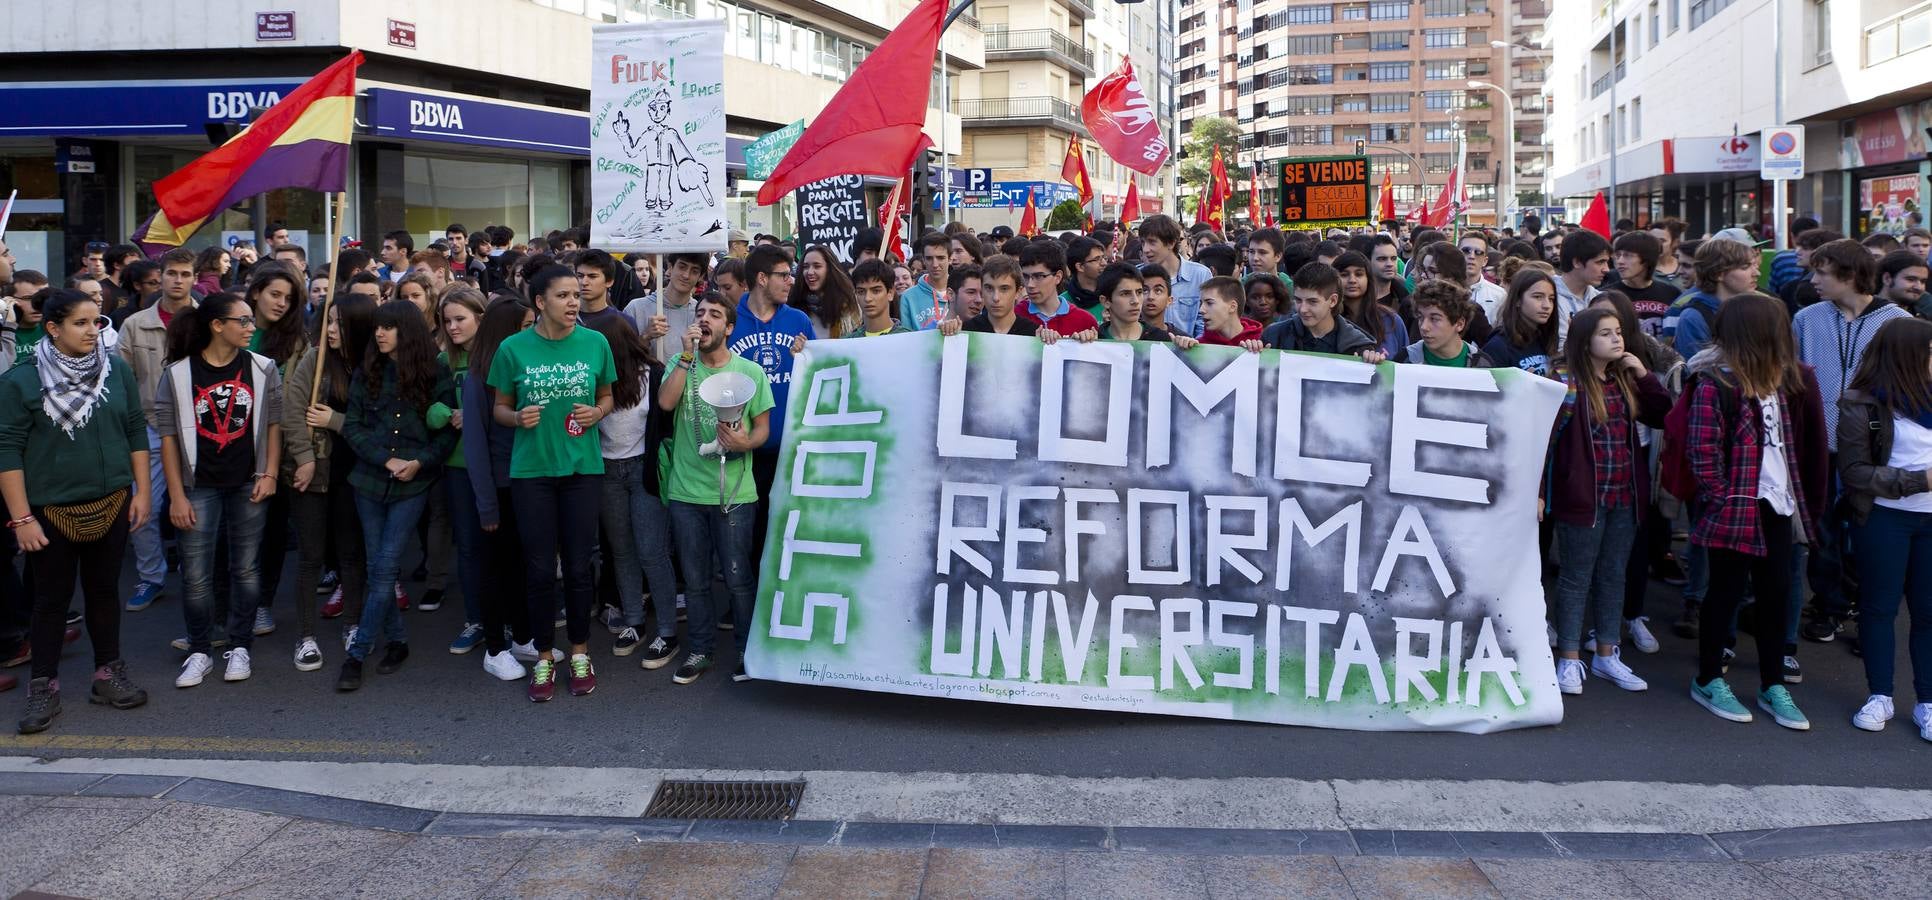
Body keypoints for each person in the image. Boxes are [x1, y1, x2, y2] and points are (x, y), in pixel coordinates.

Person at [0, 289, 152, 733]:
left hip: (112, 500)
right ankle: (42, 687)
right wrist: (22, 518)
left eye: (97, 322)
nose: (93, 331)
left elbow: (134, 429)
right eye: (81, 323)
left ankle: (108, 674)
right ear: (53, 328)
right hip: (48, 512)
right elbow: (7, 450)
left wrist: (141, 492)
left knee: (105, 591)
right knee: (50, 601)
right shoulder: (20, 381)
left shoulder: (116, 370)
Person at [1685, 293, 1827, 730]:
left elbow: (1809, 446)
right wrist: (1725, 495)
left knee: (1777, 593)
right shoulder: (1716, 383)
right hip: (1736, 503)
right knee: (1724, 591)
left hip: (1780, 504)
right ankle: (1708, 677)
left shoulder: (1791, 381)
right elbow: (1702, 452)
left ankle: (1772, 683)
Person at [487, 266, 617, 702]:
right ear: (540, 302)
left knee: (579, 568)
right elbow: (499, 408)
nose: (573, 302)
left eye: (576, 294)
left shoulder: (596, 342)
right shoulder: (512, 348)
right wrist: (516, 417)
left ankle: (580, 652)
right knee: (541, 570)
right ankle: (544, 656)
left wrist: (598, 414)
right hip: (532, 474)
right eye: (563, 295)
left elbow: (607, 395)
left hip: (583, 470)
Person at [154, 293, 284, 688]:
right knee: (195, 574)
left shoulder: (263, 368)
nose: (251, 327)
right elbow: (169, 438)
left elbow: (275, 425)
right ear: (217, 325)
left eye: (250, 321)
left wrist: (270, 473)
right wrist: (176, 495)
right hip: (198, 486)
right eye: (242, 321)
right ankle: (199, 649)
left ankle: (240, 645)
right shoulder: (177, 374)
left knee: (245, 568)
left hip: (249, 480)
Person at [1544, 308, 1672, 695]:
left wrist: (1645, 375)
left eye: (1619, 333)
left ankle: (1606, 653)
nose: (1617, 339)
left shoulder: (1624, 380)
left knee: (1614, 574)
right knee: (1575, 576)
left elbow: (1664, 414)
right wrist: (1540, 493)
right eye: (1606, 334)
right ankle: (1568, 658)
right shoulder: (1565, 383)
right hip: (1583, 497)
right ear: (1585, 341)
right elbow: (1544, 443)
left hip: (1625, 495)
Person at [1794, 239, 1913, 646]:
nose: (1813, 281)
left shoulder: (1896, 321)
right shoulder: (1807, 318)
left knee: (1870, 532)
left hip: (1874, 448)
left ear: (1848, 275)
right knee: (1822, 530)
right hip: (1820, 444)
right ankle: (1829, 606)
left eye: (1821, 273)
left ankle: (1869, 611)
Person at [334, 301, 457, 691]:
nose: (379, 334)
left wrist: (418, 463)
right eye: (377, 328)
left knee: (385, 566)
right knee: (379, 568)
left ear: (407, 330)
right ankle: (398, 641)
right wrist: (387, 460)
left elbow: (448, 430)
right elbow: (351, 426)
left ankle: (357, 655)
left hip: (413, 485)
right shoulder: (366, 369)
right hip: (368, 482)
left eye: (388, 327)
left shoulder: (436, 370)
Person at [658, 293, 774, 684]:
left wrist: (746, 444)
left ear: (729, 327)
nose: (705, 319)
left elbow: (762, 428)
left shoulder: (750, 372)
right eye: (700, 313)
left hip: (736, 495)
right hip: (687, 493)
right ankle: (701, 650)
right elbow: (666, 402)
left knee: (739, 578)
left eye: (715, 315)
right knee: (695, 580)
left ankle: (747, 650)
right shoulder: (680, 364)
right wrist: (685, 357)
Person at [1837, 318, 1932, 738]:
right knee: (1879, 607)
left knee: (1928, 613)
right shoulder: (1863, 403)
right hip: (1884, 519)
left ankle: (1927, 702)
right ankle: (1880, 696)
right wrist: (1920, 481)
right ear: (1910, 357)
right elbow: (1855, 472)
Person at [284, 292, 375, 670]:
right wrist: (303, 457)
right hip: (316, 471)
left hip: (358, 473)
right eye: (328, 321)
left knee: (353, 554)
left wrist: (334, 421)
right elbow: (292, 409)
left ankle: (353, 625)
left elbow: (376, 421)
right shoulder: (314, 359)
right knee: (311, 556)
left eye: (338, 322)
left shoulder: (374, 365)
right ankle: (305, 636)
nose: (330, 329)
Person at [584, 314, 679, 666]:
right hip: (606, 471)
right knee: (621, 551)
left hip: (644, 470)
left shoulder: (652, 374)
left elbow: (667, 421)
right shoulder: (592, 379)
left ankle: (667, 630)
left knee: (652, 551)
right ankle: (634, 621)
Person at [462, 299, 539, 679]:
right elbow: (475, 446)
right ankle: (495, 647)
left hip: (527, 483)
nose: (532, 330)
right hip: (497, 488)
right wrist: (487, 505)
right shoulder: (478, 377)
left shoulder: (526, 367)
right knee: (493, 569)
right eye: (525, 324)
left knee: (521, 568)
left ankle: (523, 638)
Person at [728, 245, 814, 568]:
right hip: (742, 449)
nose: (791, 280)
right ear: (762, 278)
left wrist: (806, 355)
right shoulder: (731, 319)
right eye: (783, 274)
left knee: (780, 530)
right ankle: (745, 603)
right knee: (743, 532)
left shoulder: (798, 321)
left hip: (787, 448)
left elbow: (818, 375)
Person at [242, 267, 308, 641]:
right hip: (231, 444)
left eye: (288, 298)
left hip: (277, 448)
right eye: (275, 295)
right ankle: (229, 605)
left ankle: (262, 602)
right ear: (255, 293)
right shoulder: (231, 328)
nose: (281, 303)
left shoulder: (297, 340)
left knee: (271, 531)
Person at [430, 288, 490, 654]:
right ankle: (475, 619)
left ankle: (509, 619)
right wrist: (442, 414)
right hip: (456, 465)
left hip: (495, 467)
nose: (452, 327)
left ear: (480, 319)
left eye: (460, 319)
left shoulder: (499, 357)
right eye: (447, 321)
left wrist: (475, 414)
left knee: (498, 547)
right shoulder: (442, 362)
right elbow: (427, 408)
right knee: (467, 548)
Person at [1261, 263, 1382, 360]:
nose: (1303, 309)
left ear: (1333, 301)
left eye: (1312, 301)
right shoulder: (1274, 336)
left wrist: (1372, 362)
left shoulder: (1358, 347)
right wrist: (1252, 350)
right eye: (1298, 300)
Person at [1667, 237, 1760, 359]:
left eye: (1755, 266)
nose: (1757, 273)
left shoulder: (1758, 307)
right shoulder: (1694, 317)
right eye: (1745, 267)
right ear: (1718, 274)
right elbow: (1698, 371)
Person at [626, 253, 708, 365]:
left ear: (701, 276)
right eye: (682, 267)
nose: (686, 275)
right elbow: (622, 359)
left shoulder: (702, 315)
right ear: (670, 267)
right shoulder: (635, 308)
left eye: (694, 271)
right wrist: (646, 336)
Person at [1482, 268, 1562, 378]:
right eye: (1538, 297)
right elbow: (1489, 392)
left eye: (1551, 299)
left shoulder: (1546, 340)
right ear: (1518, 300)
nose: (1547, 305)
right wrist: (1520, 386)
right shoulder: (1498, 346)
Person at [1139, 215, 1210, 337]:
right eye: (1143, 242)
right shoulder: (1136, 275)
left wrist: (1193, 346)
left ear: (1171, 243)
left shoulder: (1200, 275)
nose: (1145, 249)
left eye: (1152, 242)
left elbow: (1205, 324)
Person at [1333, 251, 1410, 359]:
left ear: (1368, 278)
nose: (1352, 280)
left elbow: (1405, 361)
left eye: (1359, 274)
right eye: (1344, 275)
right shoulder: (1327, 321)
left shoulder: (1391, 320)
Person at [1604, 232, 1681, 339]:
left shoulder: (1672, 293)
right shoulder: (1606, 296)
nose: (1620, 261)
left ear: (1646, 259)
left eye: (1628, 255)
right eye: (1618, 255)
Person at [1015, 242, 1099, 338]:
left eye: (1039, 276)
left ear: (1058, 277)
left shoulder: (1085, 321)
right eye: (1025, 276)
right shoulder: (1014, 316)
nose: (1030, 284)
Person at [1094, 263, 1190, 345]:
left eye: (1139, 292)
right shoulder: (1094, 340)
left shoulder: (1163, 341)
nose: (1135, 301)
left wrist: (1188, 350)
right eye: (1125, 294)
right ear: (1105, 301)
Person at [1401, 281, 1492, 367]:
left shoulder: (1482, 364)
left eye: (1434, 319)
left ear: (1459, 324)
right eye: (1420, 317)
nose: (1424, 327)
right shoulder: (1405, 360)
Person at [948, 256, 1037, 337]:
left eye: (1004, 289)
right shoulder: (966, 331)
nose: (996, 298)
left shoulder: (1033, 334)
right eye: (989, 288)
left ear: (1018, 292)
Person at [790, 245, 860, 339]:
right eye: (806, 267)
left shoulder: (848, 306)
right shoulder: (793, 306)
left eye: (817, 266)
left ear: (830, 269)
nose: (810, 272)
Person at [1554, 230, 1610, 345]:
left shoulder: (1600, 299)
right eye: (1600, 262)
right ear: (1577, 262)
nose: (1606, 269)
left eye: (1607, 262)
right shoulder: (1548, 298)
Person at [846, 260, 912, 337]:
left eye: (876, 291)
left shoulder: (908, 338)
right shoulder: (847, 342)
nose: (867, 298)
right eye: (861, 292)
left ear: (890, 293)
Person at [1193, 276, 1263, 347]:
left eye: (1209, 303)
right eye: (1201, 303)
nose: (1201, 310)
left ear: (1232, 307)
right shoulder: (1198, 346)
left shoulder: (1262, 341)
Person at [1458, 232, 1507, 322]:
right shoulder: (1444, 291)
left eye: (1478, 252)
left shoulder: (1499, 295)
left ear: (1485, 261)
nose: (1472, 256)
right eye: (1466, 251)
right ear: (1457, 254)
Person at [573, 249, 628, 328]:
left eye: (592, 276)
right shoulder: (562, 319)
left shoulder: (624, 322)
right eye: (580, 276)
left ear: (609, 281)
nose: (584, 282)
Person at [1879, 249, 1929, 319]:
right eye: (1911, 279)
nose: (1919, 287)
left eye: (1923, 281)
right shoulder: (1863, 312)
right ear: (1887, 279)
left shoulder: (1924, 320)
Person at [1064, 236, 1107, 317]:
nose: (1104, 263)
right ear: (1080, 267)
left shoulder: (1112, 296)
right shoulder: (1062, 303)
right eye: (1097, 259)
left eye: (1104, 258)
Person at [1649, 218, 1690, 288]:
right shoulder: (1644, 269)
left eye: (1662, 240)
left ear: (1675, 242)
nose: (1656, 244)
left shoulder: (1685, 266)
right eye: (1652, 240)